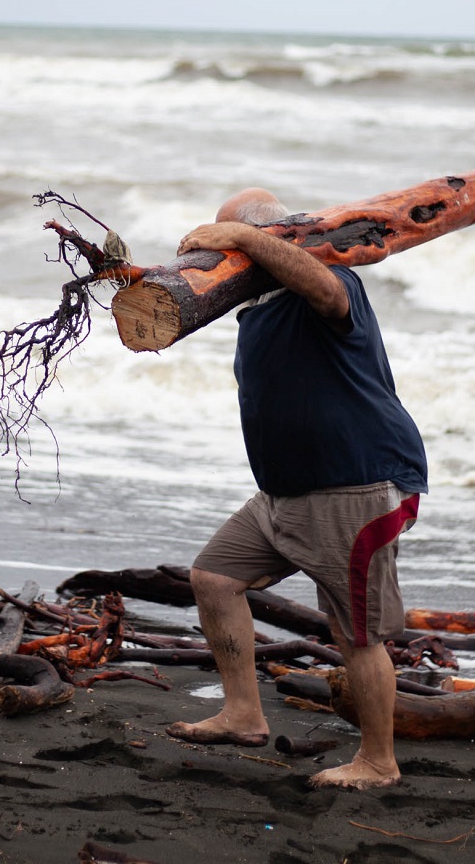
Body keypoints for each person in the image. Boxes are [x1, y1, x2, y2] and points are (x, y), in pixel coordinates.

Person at [165, 187, 426, 790]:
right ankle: (242, 713)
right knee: (214, 577)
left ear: (268, 240)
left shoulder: (329, 283)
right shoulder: (257, 308)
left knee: (357, 636)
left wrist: (248, 239)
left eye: (227, 246)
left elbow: (328, 294)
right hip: (284, 495)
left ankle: (378, 762)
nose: (217, 263)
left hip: (355, 486)